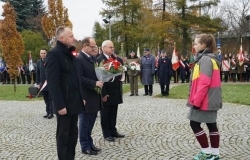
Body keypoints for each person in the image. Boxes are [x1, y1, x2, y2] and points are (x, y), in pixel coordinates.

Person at [45, 26, 85, 160]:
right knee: (63, 135)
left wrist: (81, 97)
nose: (73, 38)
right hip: (64, 104)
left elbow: (76, 77)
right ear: (61, 38)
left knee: (73, 134)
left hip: (74, 101)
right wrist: (60, 105)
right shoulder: (54, 54)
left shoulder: (70, 53)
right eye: (71, 36)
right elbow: (53, 83)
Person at [187, 34, 222, 160]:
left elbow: (204, 82)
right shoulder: (209, 58)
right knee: (211, 125)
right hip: (210, 99)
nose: (194, 46)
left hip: (205, 100)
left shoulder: (205, 59)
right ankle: (215, 153)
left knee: (194, 124)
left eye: (196, 43)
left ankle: (207, 152)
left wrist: (196, 101)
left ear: (204, 45)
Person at [76, 37, 103, 155]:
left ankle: (90, 143)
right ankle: (84, 146)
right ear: (85, 46)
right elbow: (79, 79)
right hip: (85, 96)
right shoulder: (79, 59)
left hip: (94, 95)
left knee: (91, 122)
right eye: (92, 47)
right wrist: (94, 83)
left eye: (95, 47)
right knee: (84, 122)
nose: (94, 49)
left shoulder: (92, 59)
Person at [96, 40, 125, 142]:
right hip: (106, 91)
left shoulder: (114, 59)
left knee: (113, 112)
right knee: (105, 113)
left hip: (115, 90)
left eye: (113, 47)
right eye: (110, 47)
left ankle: (113, 130)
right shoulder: (99, 60)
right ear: (104, 48)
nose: (112, 49)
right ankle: (106, 133)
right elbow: (99, 77)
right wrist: (103, 94)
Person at [36, 49, 53, 119]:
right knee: (45, 99)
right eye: (42, 53)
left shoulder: (50, 61)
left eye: (44, 53)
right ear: (40, 54)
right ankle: (47, 112)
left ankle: (51, 113)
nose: (43, 54)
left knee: (50, 99)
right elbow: (37, 73)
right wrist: (38, 83)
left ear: (46, 54)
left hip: (49, 83)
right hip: (42, 84)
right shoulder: (39, 62)